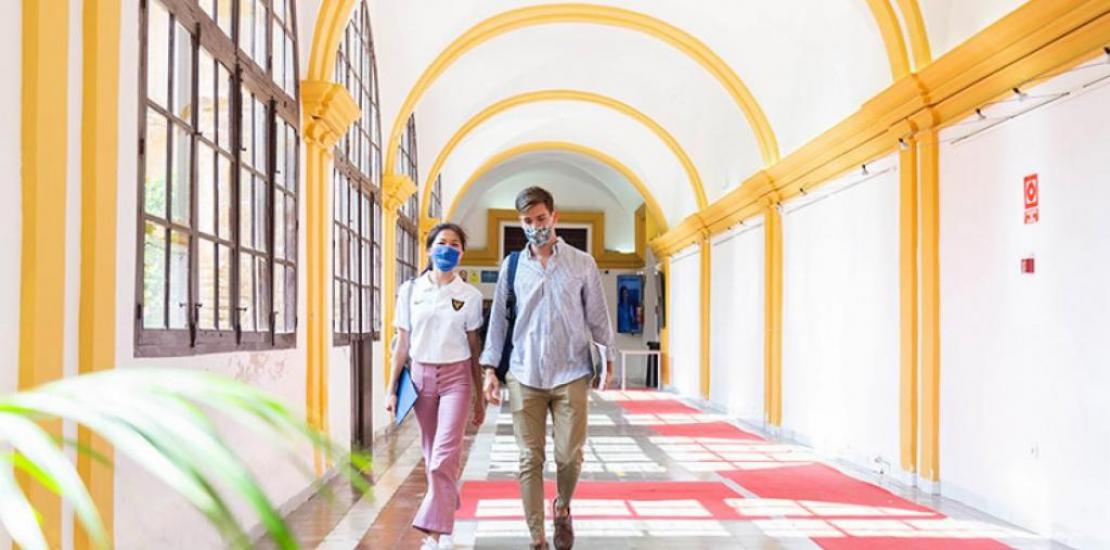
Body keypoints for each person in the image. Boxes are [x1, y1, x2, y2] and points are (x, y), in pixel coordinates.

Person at [480, 186, 616, 550]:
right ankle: (537, 537)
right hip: (524, 373)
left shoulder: (582, 263)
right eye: (527, 221)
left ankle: (563, 506)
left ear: (554, 217)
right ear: (520, 223)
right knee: (529, 458)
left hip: (571, 370)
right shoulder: (511, 266)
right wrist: (490, 369)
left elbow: (599, 317)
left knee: (569, 455)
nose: (535, 226)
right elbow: (498, 323)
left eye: (540, 219)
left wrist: (608, 359)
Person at [386, 222, 486, 550]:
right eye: (441, 242)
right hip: (420, 379)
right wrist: (390, 389)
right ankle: (445, 504)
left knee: (445, 454)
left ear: (461, 253)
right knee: (432, 456)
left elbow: (474, 347)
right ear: (429, 249)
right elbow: (402, 343)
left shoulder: (469, 296)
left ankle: (436, 532)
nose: (447, 248)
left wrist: (480, 396)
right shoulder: (411, 291)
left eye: (455, 244)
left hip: (457, 378)